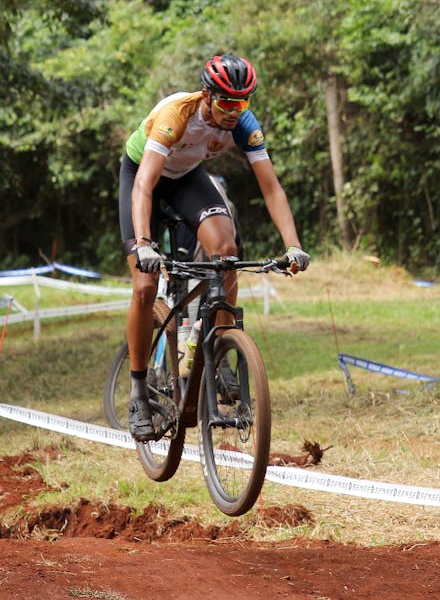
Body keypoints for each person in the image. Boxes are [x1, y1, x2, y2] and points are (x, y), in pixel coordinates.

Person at [118, 53, 310, 442]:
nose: (233, 112)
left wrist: (293, 245)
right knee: (143, 287)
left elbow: (271, 188)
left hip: (187, 177)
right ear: (207, 96)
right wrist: (143, 243)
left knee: (227, 252)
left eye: (242, 103)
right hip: (144, 177)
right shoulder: (178, 113)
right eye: (226, 103)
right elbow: (144, 185)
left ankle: (220, 350)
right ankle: (139, 393)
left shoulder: (243, 124)